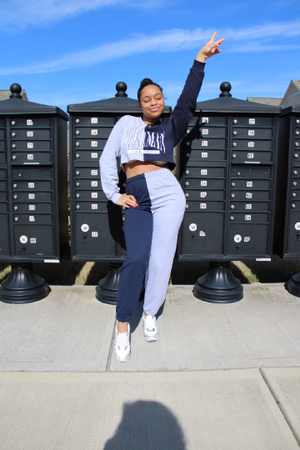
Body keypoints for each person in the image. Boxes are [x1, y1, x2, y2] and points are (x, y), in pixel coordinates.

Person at [100, 32, 225, 362]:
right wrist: (114, 194)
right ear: (139, 104)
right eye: (146, 99)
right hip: (137, 195)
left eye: (158, 97)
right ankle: (123, 324)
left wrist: (200, 60)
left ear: (162, 100)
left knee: (160, 259)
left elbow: (188, 100)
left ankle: (150, 313)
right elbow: (106, 158)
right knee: (137, 259)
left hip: (168, 192)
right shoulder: (126, 124)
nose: (153, 102)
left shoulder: (171, 127)